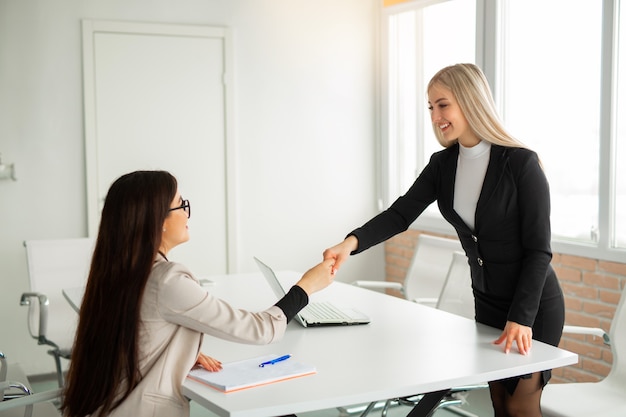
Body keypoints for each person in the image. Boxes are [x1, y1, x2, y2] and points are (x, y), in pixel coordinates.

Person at [323, 63, 564, 417]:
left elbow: (539, 251)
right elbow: (400, 213)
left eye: (442, 104)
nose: (436, 116)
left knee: (520, 405)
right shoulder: (443, 164)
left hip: (533, 306)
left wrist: (521, 317)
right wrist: (351, 243)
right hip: (487, 301)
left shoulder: (521, 164)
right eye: (431, 108)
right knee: (498, 403)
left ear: (469, 101)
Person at [61, 170, 335, 417]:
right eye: (181, 205)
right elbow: (260, 330)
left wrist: (181, 351)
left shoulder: (115, 274)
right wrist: (306, 286)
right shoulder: (167, 280)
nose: (187, 213)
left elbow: (134, 336)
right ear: (160, 222)